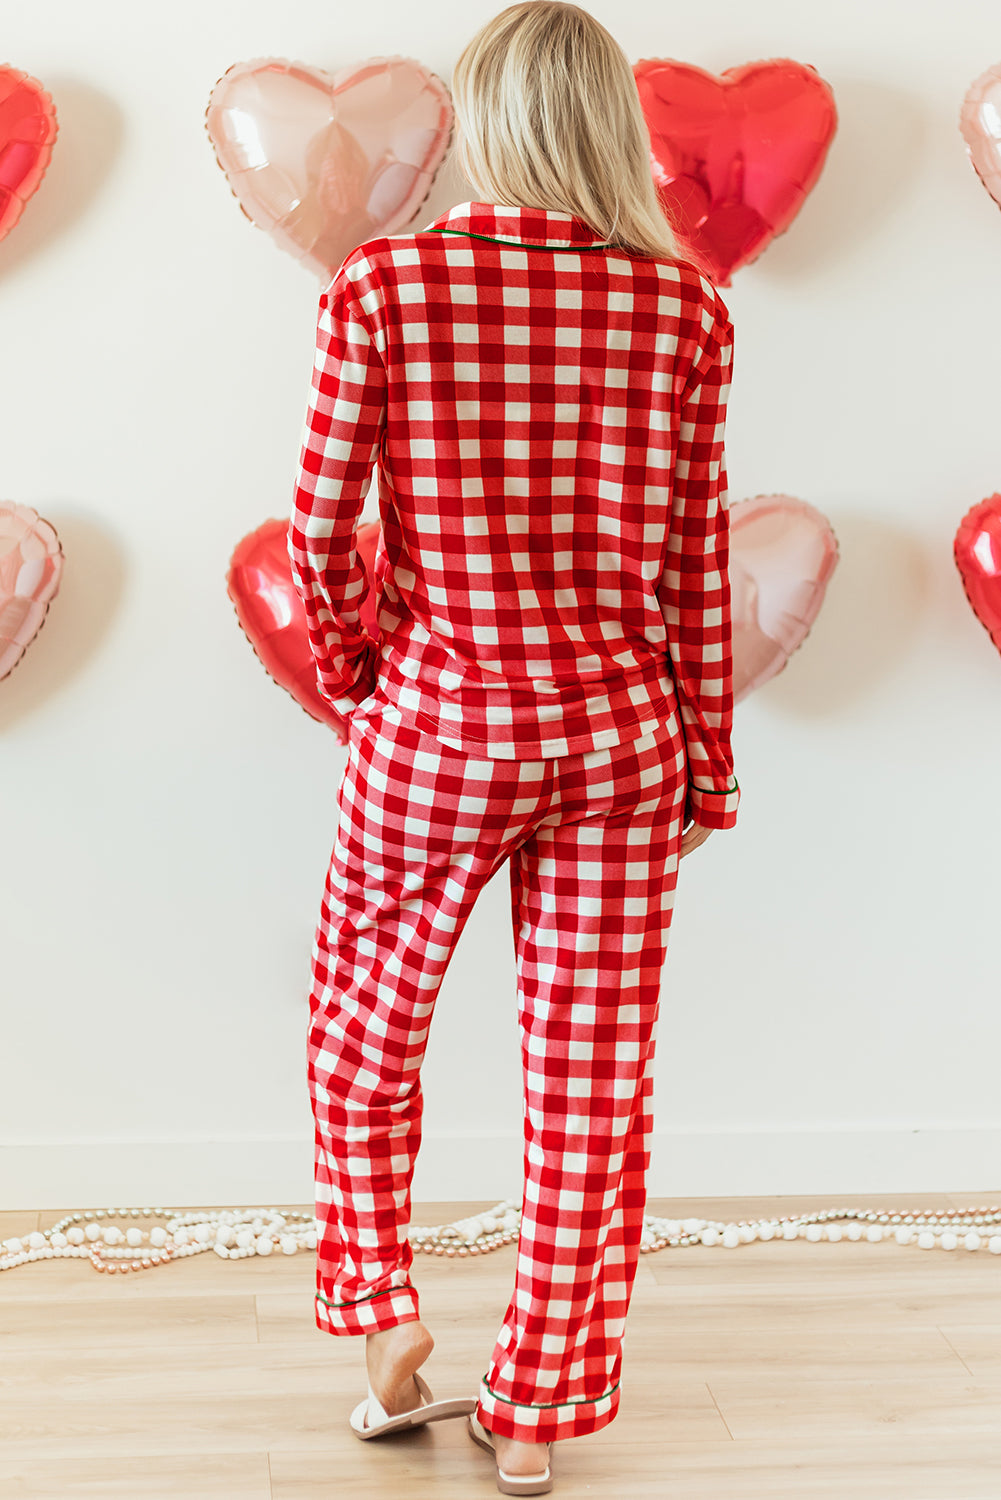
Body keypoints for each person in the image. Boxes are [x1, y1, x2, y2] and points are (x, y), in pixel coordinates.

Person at [287, 2, 740, 1493]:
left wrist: (368, 677)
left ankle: (383, 1322)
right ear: (605, 120)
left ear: (484, 119)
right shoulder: (682, 312)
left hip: (445, 717)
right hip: (618, 729)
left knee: (364, 1024)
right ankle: (539, 1406)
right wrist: (704, 764)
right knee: (594, 1072)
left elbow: (318, 529)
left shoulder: (388, 287)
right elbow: (692, 567)